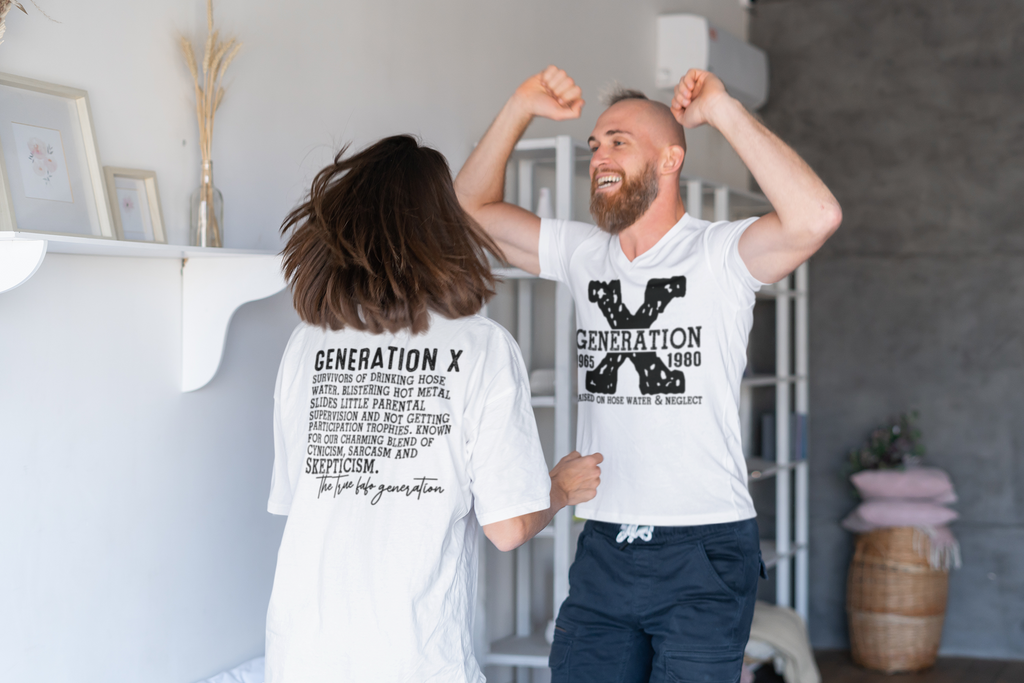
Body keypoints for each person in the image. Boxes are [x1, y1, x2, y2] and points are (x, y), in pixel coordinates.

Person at [455, 67, 841, 682]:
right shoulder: (584, 253)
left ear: (670, 160)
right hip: (605, 542)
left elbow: (816, 216)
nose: (599, 155)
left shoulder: (720, 254)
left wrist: (722, 109)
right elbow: (471, 211)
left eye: (618, 142)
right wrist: (519, 106)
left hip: (705, 547)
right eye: (594, 145)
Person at [265, 134, 603, 683]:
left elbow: (298, 496)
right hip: (415, 661)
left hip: (299, 658)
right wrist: (562, 487)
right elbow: (509, 527)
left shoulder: (307, 344)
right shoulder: (481, 346)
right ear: (442, 229)